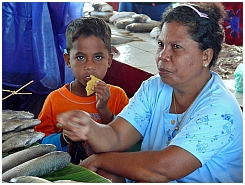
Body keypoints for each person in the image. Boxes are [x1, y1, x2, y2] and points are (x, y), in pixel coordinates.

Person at [56, 3, 243, 183]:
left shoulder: (219, 108)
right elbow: (116, 136)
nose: (163, 55)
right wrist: (89, 128)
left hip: (166, 177)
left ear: (206, 56)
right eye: (161, 44)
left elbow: (166, 168)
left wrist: (99, 160)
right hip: (156, 178)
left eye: (176, 47)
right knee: (107, 176)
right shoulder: (154, 87)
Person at [34, 17, 129, 164]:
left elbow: (125, 139)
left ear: (109, 60)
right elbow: (40, 143)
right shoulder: (55, 99)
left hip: (106, 171)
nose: (89, 66)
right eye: (80, 57)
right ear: (67, 60)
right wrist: (64, 136)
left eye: (98, 57)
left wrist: (104, 110)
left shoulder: (117, 96)